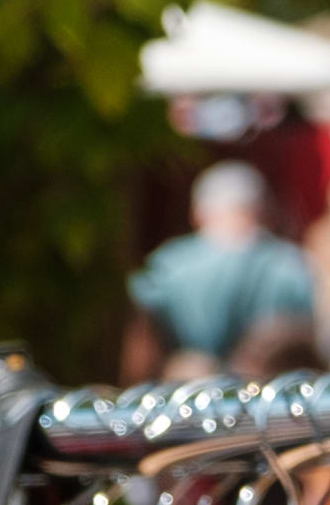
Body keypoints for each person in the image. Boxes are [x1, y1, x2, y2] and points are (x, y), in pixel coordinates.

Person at [127, 162, 317, 378]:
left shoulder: (168, 265)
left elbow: (141, 339)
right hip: (271, 394)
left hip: (189, 395)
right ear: (264, 211)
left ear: (197, 214)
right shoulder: (295, 265)